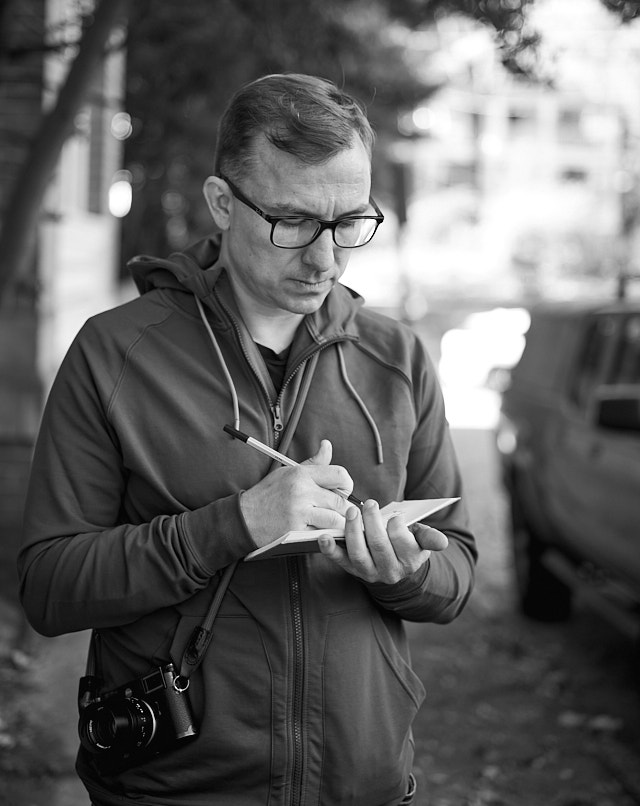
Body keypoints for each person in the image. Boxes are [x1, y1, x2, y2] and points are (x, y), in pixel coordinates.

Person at [18, 73, 477, 806]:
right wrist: (235, 526)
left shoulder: (398, 359)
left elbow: (458, 575)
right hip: (174, 786)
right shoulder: (115, 353)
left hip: (364, 784)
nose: (325, 259)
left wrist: (401, 572)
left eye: (349, 223)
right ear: (223, 203)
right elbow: (49, 586)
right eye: (293, 222)